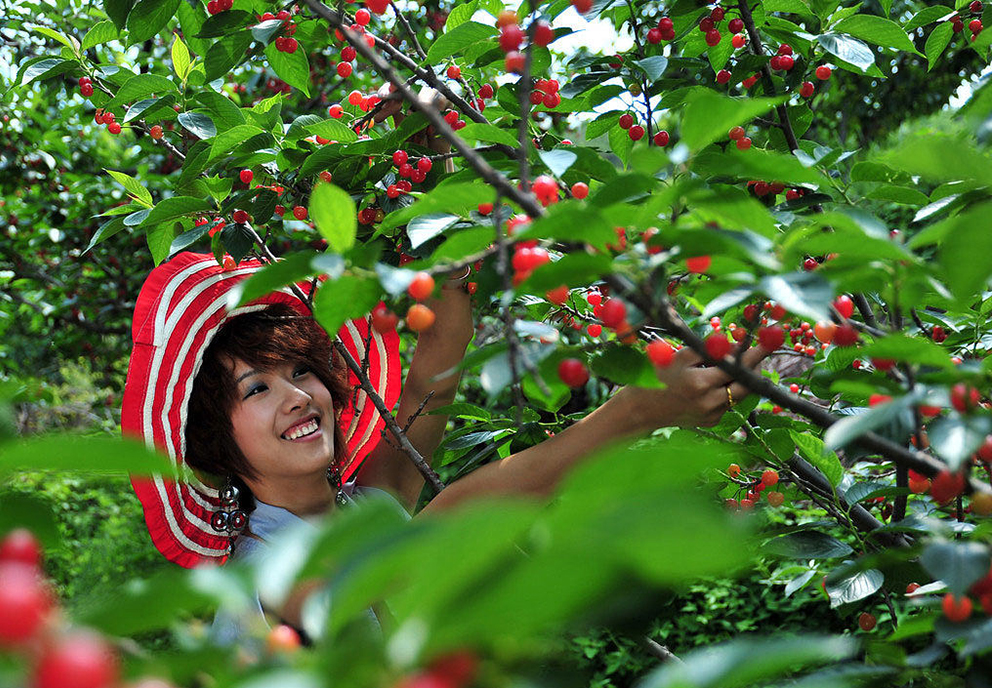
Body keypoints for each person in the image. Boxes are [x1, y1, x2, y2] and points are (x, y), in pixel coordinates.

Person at [122, 251, 768, 645]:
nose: (296, 397)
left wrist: (452, 251)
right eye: (256, 388)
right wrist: (632, 411)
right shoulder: (265, 567)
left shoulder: (359, 504)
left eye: (300, 372)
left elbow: (430, 382)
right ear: (213, 437)